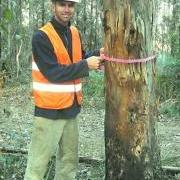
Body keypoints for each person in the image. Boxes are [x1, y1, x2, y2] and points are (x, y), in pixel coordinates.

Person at [24, 0, 103, 180]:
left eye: (71, 5)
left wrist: (98, 53)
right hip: (48, 113)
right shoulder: (41, 37)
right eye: (62, 4)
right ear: (53, 6)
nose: (67, 9)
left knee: (68, 166)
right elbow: (53, 72)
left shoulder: (74, 32)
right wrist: (85, 65)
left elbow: (78, 59)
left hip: (71, 110)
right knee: (37, 167)